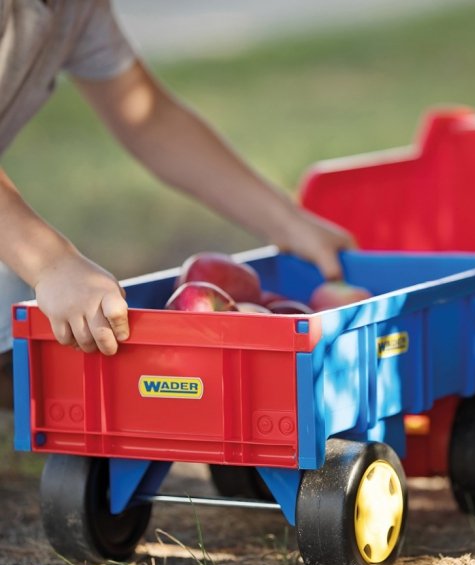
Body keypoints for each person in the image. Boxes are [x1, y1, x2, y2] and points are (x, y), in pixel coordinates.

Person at [0, 0, 355, 400]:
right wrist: (52, 263)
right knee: (23, 325)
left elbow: (148, 120)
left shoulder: (75, 8)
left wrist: (285, 221)